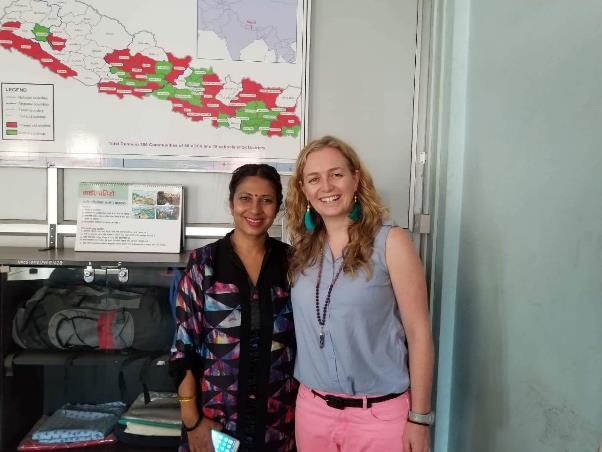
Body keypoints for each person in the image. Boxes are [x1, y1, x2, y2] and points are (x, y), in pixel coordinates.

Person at [286, 136, 434, 452]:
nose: (326, 186)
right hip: (313, 411)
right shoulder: (302, 251)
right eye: (314, 179)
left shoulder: (391, 242)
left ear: (355, 178)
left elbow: (419, 333)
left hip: (379, 416)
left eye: (336, 174)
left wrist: (420, 419)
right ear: (304, 190)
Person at [170, 164, 297, 452]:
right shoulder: (204, 263)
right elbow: (183, 348)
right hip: (215, 423)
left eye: (266, 200)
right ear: (231, 204)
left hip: (279, 424)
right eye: (245, 198)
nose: (255, 209)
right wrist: (192, 422)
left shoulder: (293, 264)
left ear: (277, 208)